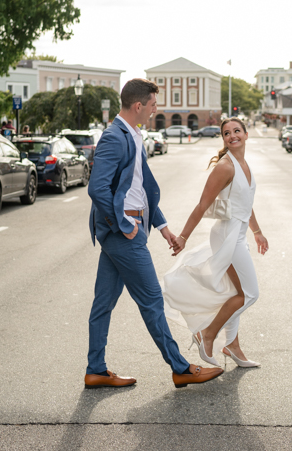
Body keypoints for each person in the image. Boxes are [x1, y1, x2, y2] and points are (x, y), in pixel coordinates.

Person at [85, 78, 224, 389]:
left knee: (103, 303)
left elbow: (143, 188)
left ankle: (95, 369)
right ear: (138, 106)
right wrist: (122, 225)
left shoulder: (134, 134)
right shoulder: (114, 137)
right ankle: (181, 368)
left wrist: (163, 228)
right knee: (151, 301)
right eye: (153, 106)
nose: (155, 110)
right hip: (124, 234)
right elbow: (97, 188)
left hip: (128, 230)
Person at [163, 117, 269, 368]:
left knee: (236, 293)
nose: (232, 136)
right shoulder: (226, 167)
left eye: (236, 131)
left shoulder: (244, 164)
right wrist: (184, 237)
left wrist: (257, 232)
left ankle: (232, 346)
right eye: (226, 133)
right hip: (227, 235)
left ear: (246, 134)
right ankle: (207, 334)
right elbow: (202, 205)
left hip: (238, 234)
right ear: (223, 139)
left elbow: (245, 203)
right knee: (250, 294)